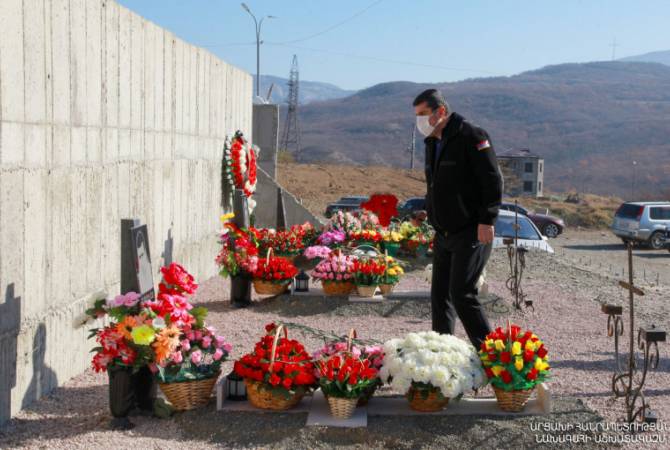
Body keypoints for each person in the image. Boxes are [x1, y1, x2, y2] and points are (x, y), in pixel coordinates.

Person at [413, 89, 503, 348]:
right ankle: (442, 353)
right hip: (444, 233)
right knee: (440, 296)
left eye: (423, 114)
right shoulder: (432, 142)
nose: (419, 121)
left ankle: (491, 356)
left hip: (471, 229)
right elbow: (437, 185)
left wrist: (488, 219)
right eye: (416, 115)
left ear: (441, 111)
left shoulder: (471, 136)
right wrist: (428, 210)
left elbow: (492, 180)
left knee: (462, 293)